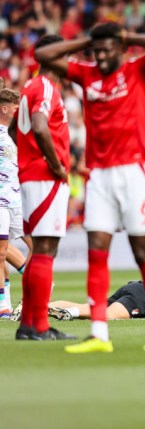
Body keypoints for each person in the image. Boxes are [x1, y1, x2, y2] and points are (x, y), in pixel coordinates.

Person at [35, 22, 145, 352]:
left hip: (135, 172)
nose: (99, 56)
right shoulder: (87, 75)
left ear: (121, 47)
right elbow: (41, 54)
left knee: (142, 253)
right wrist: (89, 40)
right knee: (96, 252)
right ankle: (99, 334)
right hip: (99, 175)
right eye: (96, 52)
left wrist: (126, 37)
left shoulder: (138, 69)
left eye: (106, 50)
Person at [8, 35, 76, 341]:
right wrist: (55, 164)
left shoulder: (30, 88)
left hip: (34, 175)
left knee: (41, 250)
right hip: (45, 177)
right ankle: (37, 325)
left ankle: (31, 326)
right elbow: (38, 124)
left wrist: (26, 157)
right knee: (45, 249)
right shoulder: (46, 87)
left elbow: (13, 129)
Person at [0, 87, 22, 318]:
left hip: (18, 198)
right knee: (1, 251)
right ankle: (3, 304)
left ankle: (40, 285)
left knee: (39, 245)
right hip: (2, 201)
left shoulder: (18, 132)